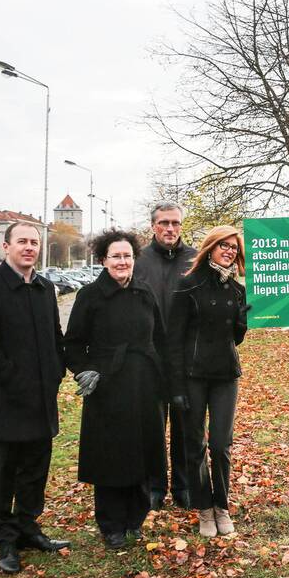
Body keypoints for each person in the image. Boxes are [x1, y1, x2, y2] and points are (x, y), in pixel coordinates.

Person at [0, 221, 70, 574]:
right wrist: (10, 375)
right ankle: (5, 542)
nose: (29, 247)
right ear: (5, 247)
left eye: (34, 242)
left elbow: (55, 335)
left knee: (34, 474)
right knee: (3, 479)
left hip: (42, 401)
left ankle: (28, 529)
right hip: (7, 401)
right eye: (21, 241)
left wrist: (56, 372)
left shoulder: (44, 287)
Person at [64, 230, 179, 550]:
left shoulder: (144, 292)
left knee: (142, 450)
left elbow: (160, 339)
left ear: (134, 259)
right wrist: (83, 371)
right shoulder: (90, 296)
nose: (122, 261)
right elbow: (73, 343)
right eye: (116, 256)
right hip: (107, 385)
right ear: (103, 260)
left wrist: (167, 380)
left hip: (145, 384)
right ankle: (111, 523)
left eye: (127, 256)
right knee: (111, 455)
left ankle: (135, 517)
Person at [167, 226, 249, 538]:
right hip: (193, 375)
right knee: (195, 444)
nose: (228, 251)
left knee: (221, 444)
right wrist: (174, 386)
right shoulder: (188, 285)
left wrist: (242, 323)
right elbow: (173, 340)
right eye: (223, 246)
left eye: (233, 247)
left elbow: (235, 339)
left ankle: (222, 506)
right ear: (210, 247)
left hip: (225, 374)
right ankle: (203, 507)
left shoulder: (237, 289)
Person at [132, 201, 198, 510]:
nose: (169, 228)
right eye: (163, 223)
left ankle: (183, 487)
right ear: (153, 226)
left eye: (175, 223)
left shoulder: (196, 258)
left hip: (187, 358)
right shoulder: (138, 260)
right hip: (150, 358)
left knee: (187, 426)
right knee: (151, 427)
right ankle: (154, 486)